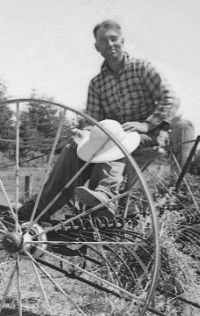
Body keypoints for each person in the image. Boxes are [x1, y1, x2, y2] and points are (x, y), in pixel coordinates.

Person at [18, 19, 180, 220]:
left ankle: (105, 197)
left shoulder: (141, 69)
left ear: (122, 41)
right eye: (104, 41)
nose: (110, 44)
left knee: (115, 141)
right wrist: (84, 134)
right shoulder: (97, 83)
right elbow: (94, 121)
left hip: (147, 135)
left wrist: (147, 123)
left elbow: (170, 98)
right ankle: (42, 207)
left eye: (114, 39)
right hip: (112, 136)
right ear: (97, 47)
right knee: (72, 149)